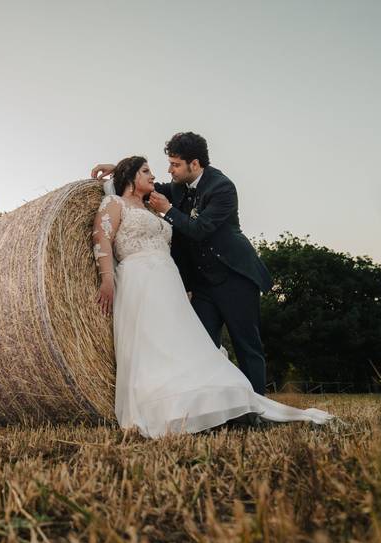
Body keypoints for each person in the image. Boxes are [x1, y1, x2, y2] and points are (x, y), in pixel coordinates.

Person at [90, 154, 332, 437]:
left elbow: (192, 228)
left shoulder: (166, 203)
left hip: (169, 281)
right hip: (139, 278)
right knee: (153, 344)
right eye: (147, 171)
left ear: (195, 163)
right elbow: (101, 236)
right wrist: (107, 278)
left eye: (166, 167)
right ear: (131, 177)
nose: (156, 176)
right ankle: (166, 406)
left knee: (185, 344)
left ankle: (224, 405)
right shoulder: (114, 203)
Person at [92, 132, 270, 397]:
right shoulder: (177, 186)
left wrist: (168, 211)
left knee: (247, 345)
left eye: (175, 164)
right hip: (201, 285)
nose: (169, 170)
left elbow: (200, 229)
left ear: (194, 164)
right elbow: (140, 184)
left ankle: (256, 407)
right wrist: (119, 169)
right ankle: (211, 404)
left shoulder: (222, 187)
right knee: (199, 346)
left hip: (234, 275)